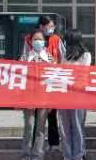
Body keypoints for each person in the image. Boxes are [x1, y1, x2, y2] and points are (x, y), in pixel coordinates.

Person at [23, 15, 66, 152]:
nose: (52, 28)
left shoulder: (56, 39)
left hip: (50, 82)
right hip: (33, 85)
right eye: (49, 26)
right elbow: (23, 60)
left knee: (52, 115)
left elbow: (62, 58)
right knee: (33, 119)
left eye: (53, 26)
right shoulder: (28, 39)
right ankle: (33, 145)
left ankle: (54, 143)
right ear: (41, 27)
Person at [19, 29, 54, 160]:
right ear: (31, 41)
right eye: (35, 39)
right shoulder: (24, 57)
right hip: (28, 98)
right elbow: (19, 77)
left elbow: (54, 80)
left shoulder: (50, 59)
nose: (38, 41)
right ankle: (26, 155)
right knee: (29, 126)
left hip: (44, 98)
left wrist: (51, 101)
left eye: (40, 39)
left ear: (44, 41)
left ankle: (37, 155)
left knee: (40, 127)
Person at [59, 29, 91, 160]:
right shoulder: (65, 55)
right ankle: (67, 154)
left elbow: (84, 73)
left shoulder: (85, 55)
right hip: (64, 94)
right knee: (64, 126)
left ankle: (79, 154)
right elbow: (61, 72)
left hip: (78, 94)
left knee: (77, 125)